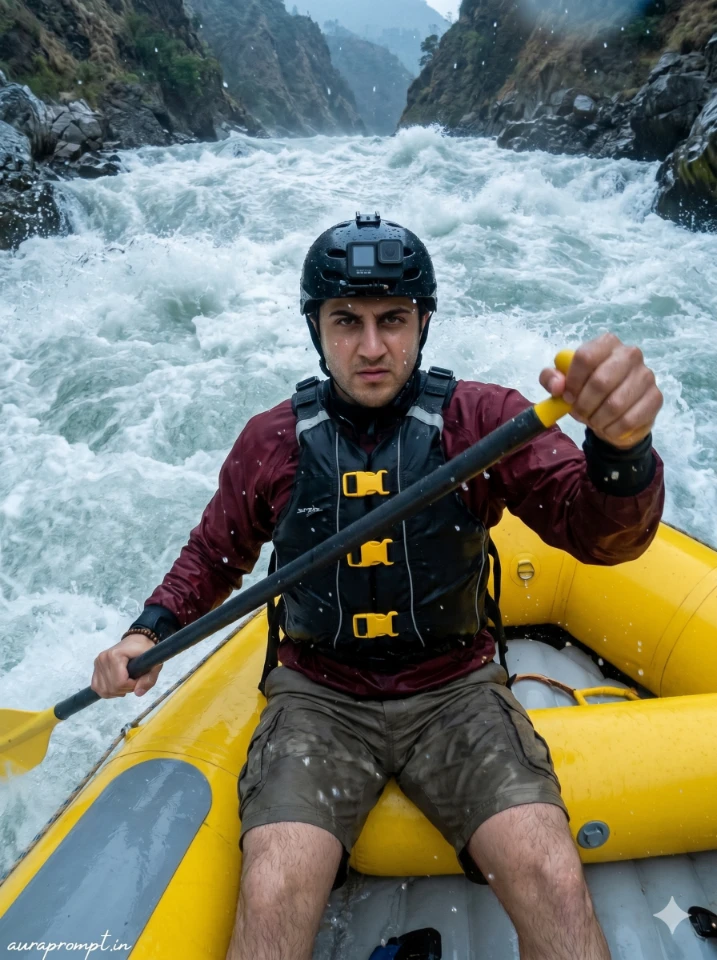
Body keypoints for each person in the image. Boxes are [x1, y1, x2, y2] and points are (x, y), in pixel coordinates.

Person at [92, 213, 665, 960]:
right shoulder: (272, 441)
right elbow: (213, 553)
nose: (370, 347)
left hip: (455, 691)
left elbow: (598, 533)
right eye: (346, 322)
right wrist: (149, 631)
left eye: (392, 320)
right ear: (315, 328)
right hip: (317, 699)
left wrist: (621, 451)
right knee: (271, 890)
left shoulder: (478, 421)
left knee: (552, 877)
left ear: (422, 322)